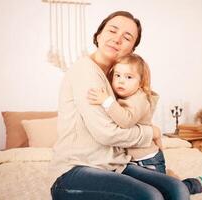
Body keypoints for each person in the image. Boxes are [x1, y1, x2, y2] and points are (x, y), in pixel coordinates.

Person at [49, 11, 190, 200]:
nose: (117, 39)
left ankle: (190, 185)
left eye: (127, 37)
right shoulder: (85, 71)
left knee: (177, 189)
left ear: (132, 49)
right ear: (99, 35)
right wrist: (151, 133)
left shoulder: (117, 80)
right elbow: (107, 133)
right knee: (150, 196)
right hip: (74, 171)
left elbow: (135, 112)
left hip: (115, 165)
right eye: (112, 31)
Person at [87, 53, 202, 194]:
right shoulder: (121, 97)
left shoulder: (139, 99)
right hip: (130, 162)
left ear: (140, 82)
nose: (121, 81)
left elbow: (125, 121)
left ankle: (194, 184)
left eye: (129, 77)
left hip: (148, 160)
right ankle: (167, 177)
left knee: (164, 192)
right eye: (117, 75)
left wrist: (106, 101)